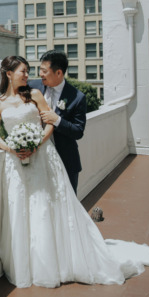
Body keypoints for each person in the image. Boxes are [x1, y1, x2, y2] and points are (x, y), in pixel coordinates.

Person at [0, 55, 149, 288]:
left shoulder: (67, 96)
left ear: (59, 72)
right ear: (9, 74)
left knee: (57, 208)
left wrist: (38, 141)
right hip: (18, 161)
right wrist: (12, 147)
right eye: (25, 71)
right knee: (29, 208)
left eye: (40, 70)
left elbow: (73, 130)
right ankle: (34, 261)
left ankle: (65, 258)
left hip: (50, 157)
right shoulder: (11, 97)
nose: (34, 75)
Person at [28, 50, 85, 194]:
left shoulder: (77, 97)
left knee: (68, 204)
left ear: (59, 73)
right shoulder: (32, 86)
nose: (40, 74)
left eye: (44, 71)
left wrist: (57, 120)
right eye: (40, 70)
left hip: (65, 159)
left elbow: (78, 131)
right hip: (37, 159)